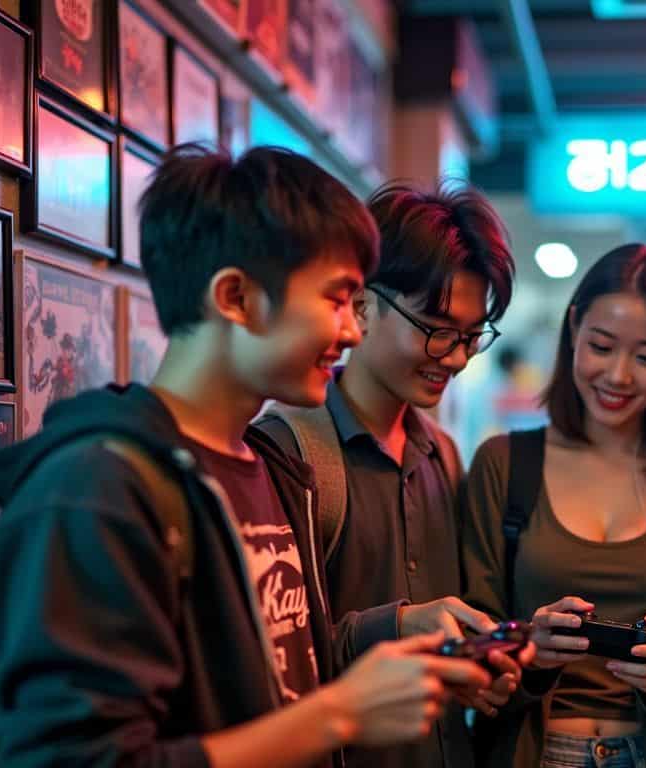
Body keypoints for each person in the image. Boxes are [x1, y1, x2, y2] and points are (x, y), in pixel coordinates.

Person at [0, 146, 498, 766]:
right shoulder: (97, 488)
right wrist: (338, 714)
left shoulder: (274, 474)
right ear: (235, 297)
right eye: (337, 300)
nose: (353, 331)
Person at [257, 180, 518, 768]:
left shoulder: (444, 455)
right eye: (435, 327)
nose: (454, 356)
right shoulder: (288, 450)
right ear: (361, 304)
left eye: (472, 336)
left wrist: (479, 667)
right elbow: (271, 655)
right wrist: (396, 627)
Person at [460, 243, 646, 768]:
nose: (618, 376)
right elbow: (471, 664)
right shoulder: (505, 466)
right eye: (602, 346)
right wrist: (529, 656)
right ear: (573, 331)